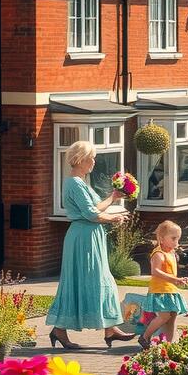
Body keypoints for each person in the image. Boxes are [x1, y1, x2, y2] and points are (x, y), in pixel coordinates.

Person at [46, 141, 137, 350]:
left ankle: (110, 328)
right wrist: (113, 219)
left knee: (103, 280)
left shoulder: (81, 183)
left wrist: (113, 198)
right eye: (92, 157)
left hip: (90, 235)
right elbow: (90, 214)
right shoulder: (74, 184)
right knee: (85, 281)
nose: (94, 161)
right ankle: (61, 329)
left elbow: (95, 208)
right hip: (82, 238)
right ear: (81, 159)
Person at [139, 220, 188, 348]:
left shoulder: (171, 253)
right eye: (173, 238)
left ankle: (169, 344)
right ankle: (145, 336)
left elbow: (169, 272)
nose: (176, 242)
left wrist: (178, 279)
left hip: (170, 290)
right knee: (164, 316)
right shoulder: (159, 253)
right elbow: (155, 271)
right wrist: (174, 280)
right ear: (161, 239)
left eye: (178, 239)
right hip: (160, 291)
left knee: (172, 317)